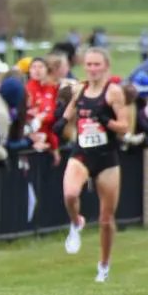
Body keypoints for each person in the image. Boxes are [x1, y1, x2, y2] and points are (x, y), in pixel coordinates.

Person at [56, 47, 129, 283]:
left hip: (107, 158)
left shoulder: (113, 92)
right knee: (69, 194)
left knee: (106, 219)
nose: (93, 69)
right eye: (89, 64)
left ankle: (104, 264)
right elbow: (70, 111)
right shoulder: (80, 89)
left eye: (97, 64)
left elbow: (125, 126)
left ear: (106, 66)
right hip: (82, 153)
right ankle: (76, 222)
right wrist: (61, 122)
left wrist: (106, 121)